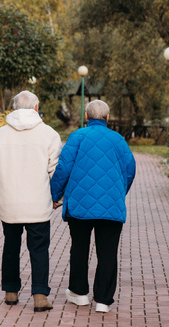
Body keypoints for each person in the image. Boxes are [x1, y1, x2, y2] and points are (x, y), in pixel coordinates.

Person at [0, 91, 62, 312]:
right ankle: (40, 296)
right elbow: (56, 171)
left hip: (10, 204)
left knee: (11, 247)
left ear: (14, 109)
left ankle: (11, 292)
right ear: (36, 108)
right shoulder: (49, 134)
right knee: (39, 250)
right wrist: (58, 198)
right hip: (38, 204)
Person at [50, 99, 136, 313]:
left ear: (86, 117)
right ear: (107, 118)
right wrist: (117, 192)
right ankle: (103, 300)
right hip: (111, 206)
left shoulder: (77, 136)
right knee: (108, 252)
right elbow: (130, 169)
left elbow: (63, 169)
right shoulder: (118, 139)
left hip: (80, 204)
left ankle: (79, 294)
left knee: (79, 248)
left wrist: (55, 194)